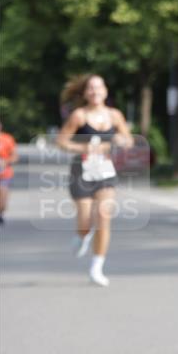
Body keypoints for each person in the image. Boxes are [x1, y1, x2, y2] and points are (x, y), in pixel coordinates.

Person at [57, 74, 133, 286]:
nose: (95, 91)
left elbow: (128, 139)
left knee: (103, 215)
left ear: (106, 91)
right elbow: (62, 141)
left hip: (105, 171)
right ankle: (82, 236)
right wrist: (83, 147)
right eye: (91, 88)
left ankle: (97, 267)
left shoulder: (115, 116)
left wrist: (122, 140)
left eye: (99, 87)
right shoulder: (79, 116)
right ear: (85, 93)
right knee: (85, 222)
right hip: (81, 171)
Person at [0, 121, 19, 225]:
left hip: (4, 174)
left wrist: (5, 161)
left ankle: (0, 213)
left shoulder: (7, 139)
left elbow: (15, 157)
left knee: (2, 199)